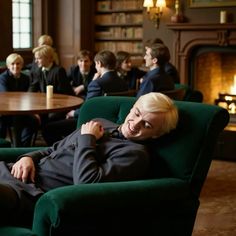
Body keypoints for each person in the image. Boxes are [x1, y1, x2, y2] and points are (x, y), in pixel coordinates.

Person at [0, 92, 178, 226]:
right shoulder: (100, 122)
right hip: (12, 171)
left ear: (156, 135)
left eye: (146, 125)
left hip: (29, 194)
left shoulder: (135, 155)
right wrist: (27, 157)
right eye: (137, 113)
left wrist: (87, 138)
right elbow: (54, 148)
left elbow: (87, 184)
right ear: (132, 108)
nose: (135, 124)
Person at [42, 50, 128, 145]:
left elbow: (88, 109)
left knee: (47, 128)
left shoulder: (97, 83)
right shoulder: (124, 83)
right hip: (115, 126)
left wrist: (73, 113)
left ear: (99, 63)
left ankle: (64, 149)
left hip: (92, 124)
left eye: (95, 64)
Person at [0, 53, 39, 147]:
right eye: (12, 64)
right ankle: (17, 146)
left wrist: (34, 112)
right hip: (6, 112)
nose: (15, 66)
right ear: (8, 66)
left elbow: (30, 96)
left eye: (18, 64)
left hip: (23, 111)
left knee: (34, 121)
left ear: (22, 65)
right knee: (17, 118)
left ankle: (23, 146)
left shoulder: (26, 78)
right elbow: (6, 96)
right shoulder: (3, 78)